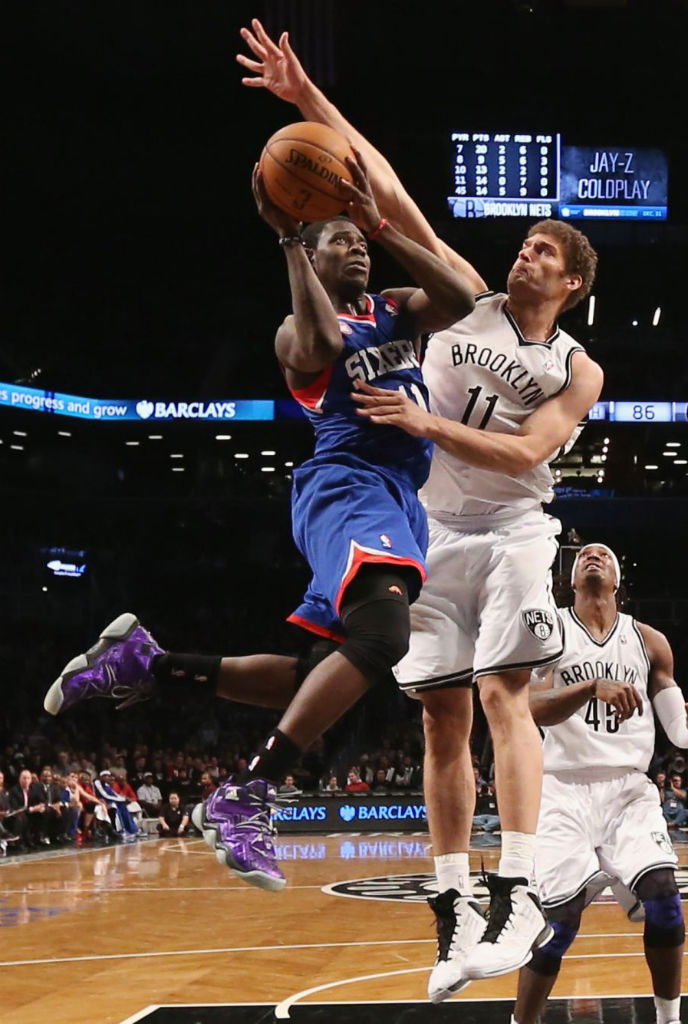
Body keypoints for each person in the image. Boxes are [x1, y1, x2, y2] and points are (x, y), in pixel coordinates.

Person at [234, 19, 602, 992]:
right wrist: (307, 101)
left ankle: (517, 889)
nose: (521, 256)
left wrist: (428, 424)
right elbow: (378, 184)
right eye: (520, 244)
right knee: (438, 711)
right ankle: (454, 914)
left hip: (505, 519)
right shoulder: (431, 297)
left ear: (567, 284)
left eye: (540, 252)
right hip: (420, 512)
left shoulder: (562, 358)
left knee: (500, 694)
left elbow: (526, 446)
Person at [43, 143, 475, 893]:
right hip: (350, 487)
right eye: (337, 241)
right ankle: (250, 792)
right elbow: (323, 344)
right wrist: (287, 239)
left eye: (356, 241)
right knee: (385, 637)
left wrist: (379, 224)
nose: (356, 252)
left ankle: (147, 663)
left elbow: (466, 299)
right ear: (307, 252)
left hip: (398, 502)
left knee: (311, 674)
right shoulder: (293, 329)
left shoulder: (398, 309)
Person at [512, 543, 685, 1024]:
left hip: (628, 788)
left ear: (617, 580)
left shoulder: (650, 642)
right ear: (569, 579)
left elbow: (680, 733)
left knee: (666, 900)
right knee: (559, 925)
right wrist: (592, 686)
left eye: (603, 555)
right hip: (561, 789)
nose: (592, 556)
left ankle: (669, 1019)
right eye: (584, 555)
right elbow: (527, 708)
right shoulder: (550, 633)